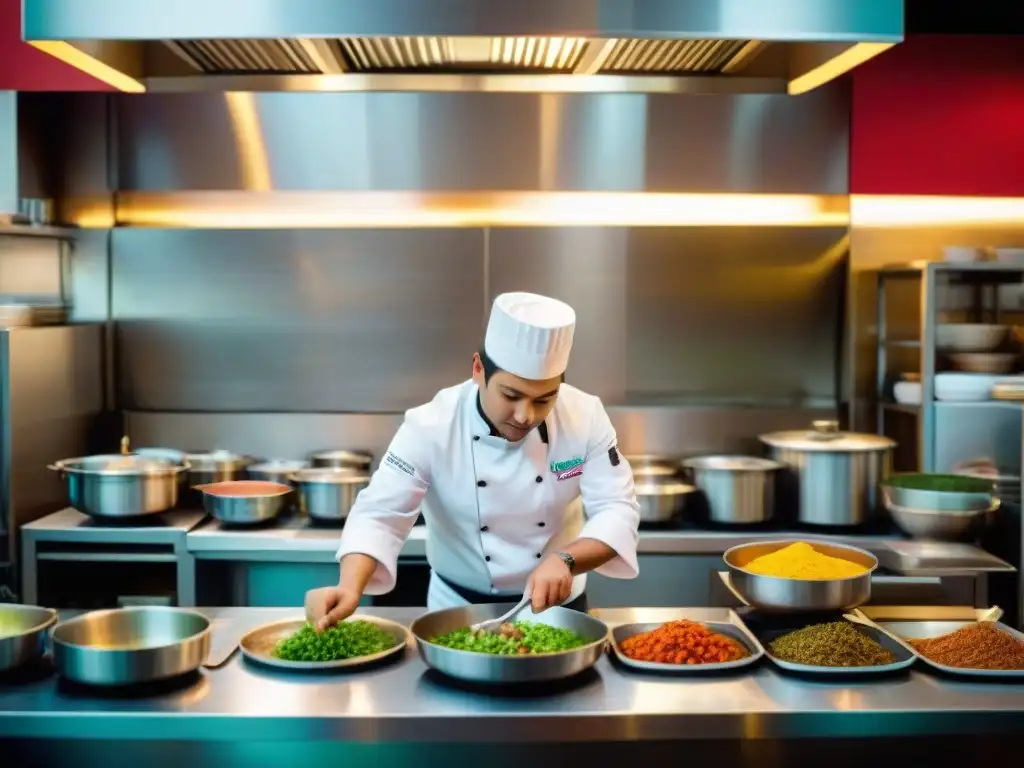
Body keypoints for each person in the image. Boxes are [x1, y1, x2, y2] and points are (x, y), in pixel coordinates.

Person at [306, 292, 640, 629]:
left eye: (544, 399)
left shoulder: (585, 416)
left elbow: (617, 509)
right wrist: (349, 586)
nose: (526, 416)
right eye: (511, 395)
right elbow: (381, 514)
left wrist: (566, 559)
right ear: (478, 369)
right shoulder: (430, 425)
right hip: (457, 611)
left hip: (558, 609)